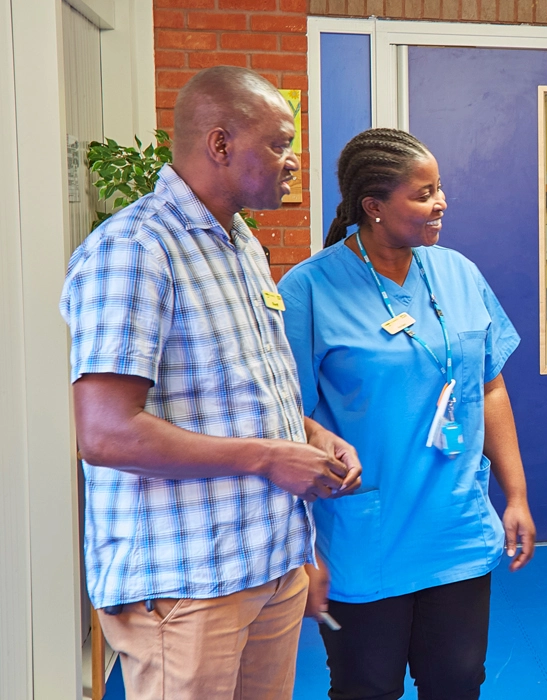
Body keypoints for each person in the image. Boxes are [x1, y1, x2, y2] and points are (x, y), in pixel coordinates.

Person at [59, 65, 363, 699]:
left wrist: (310, 436)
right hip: (188, 582)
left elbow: (236, 391)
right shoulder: (136, 249)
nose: (293, 161)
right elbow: (106, 434)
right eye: (279, 144)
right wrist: (269, 457)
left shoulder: (240, 243)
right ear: (220, 144)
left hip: (269, 563)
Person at [274, 127, 532, 700]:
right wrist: (302, 552)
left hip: (455, 527)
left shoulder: (458, 273)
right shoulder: (309, 290)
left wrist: (515, 494)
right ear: (374, 206)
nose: (441, 203)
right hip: (363, 535)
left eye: (439, 188)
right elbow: (286, 422)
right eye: (423, 194)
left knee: (457, 682)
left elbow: (490, 386)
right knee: (367, 687)